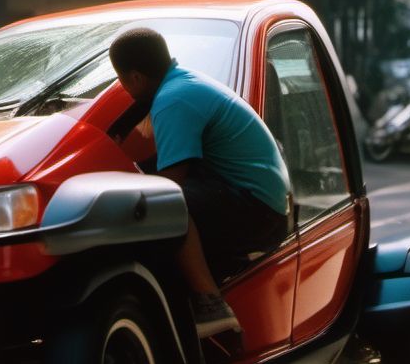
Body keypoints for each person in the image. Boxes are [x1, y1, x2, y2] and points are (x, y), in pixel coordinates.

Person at [109, 28, 290, 337]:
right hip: (263, 199)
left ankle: (209, 302)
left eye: (121, 80)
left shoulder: (172, 99)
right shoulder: (183, 82)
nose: (123, 88)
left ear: (135, 78)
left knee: (165, 202)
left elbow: (171, 184)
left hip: (259, 210)